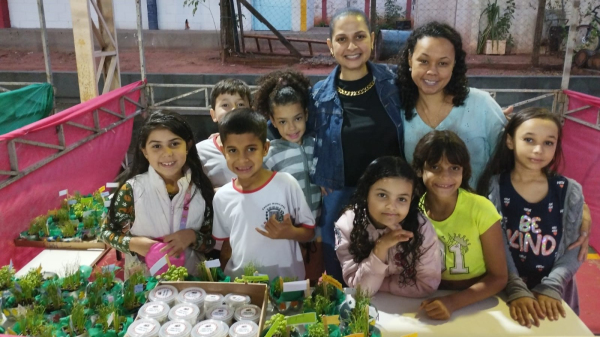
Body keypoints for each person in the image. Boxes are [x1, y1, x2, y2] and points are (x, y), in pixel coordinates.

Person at [310, 8, 404, 283]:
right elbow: (288, 132)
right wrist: (318, 173)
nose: (352, 46)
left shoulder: (395, 84)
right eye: (342, 39)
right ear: (330, 46)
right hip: (339, 199)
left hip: (391, 200)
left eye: (360, 36)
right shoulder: (318, 96)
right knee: (340, 277)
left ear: (372, 39)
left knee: (389, 272)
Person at [478, 108, 584, 328]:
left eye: (548, 143)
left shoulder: (569, 190)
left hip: (553, 296)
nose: (538, 150)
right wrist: (515, 287)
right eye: (528, 139)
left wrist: (552, 286)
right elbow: (496, 244)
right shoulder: (493, 187)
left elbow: (574, 248)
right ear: (510, 141)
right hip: (505, 292)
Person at [100, 111, 215, 277]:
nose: (167, 153)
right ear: (145, 152)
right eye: (156, 146)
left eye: (175, 144)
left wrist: (192, 237)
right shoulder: (132, 190)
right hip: (144, 281)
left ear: (188, 146)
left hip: (192, 280)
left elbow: (210, 241)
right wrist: (134, 243)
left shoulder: (201, 189)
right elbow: (107, 232)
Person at [396, 21, 506, 186]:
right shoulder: (397, 111)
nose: (432, 71)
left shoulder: (482, 106)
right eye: (424, 61)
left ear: (454, 64)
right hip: (421, 211)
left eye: (443, 63)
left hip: (478, 209)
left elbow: (507, 161)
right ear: (410, 59)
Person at [412, 130, 507, 320]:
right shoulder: (412, 210)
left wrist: (453, 302)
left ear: (464, 171)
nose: (445, 176)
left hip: (475, 300)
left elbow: (498, 277)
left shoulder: (481, 209)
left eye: (454, 168)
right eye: (435, 167)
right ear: (419, 170)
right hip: (426, 297)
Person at [212, 108, 316, 279]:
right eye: (233, 151)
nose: (243, 159)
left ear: (265, 148)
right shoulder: (222, 197)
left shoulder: (286, 184)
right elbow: (225, 247)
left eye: (251, 149)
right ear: (223, 151)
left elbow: (309, 232)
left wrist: (290, 232)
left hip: (287, 283)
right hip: (243, 286)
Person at [335, 156, 441, 296]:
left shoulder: (421, 227)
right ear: (366, 193)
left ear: (411, 200)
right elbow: (362, 291)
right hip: (367, 309)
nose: (391, 206)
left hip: (408, 308)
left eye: (402, 199)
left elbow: (427, 285)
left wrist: (379, 284)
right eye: (382, 195)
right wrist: (381, 246)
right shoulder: (347, 225)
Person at [255, 69, 324, 282]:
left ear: (306, 114)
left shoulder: (318, 145)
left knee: (315, 283)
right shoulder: (270, 153)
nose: (291, 127)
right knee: (288, 284)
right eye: (283, 122)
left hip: (318, 231)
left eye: (297, 118)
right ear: (272, 122)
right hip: (285, 234)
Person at [197, 79, 252, 189]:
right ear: (213, 115)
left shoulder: (264, 147)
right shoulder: (199, 151)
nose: (233, 110)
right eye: (225, 105)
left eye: (240, 104)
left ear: (251, 112)